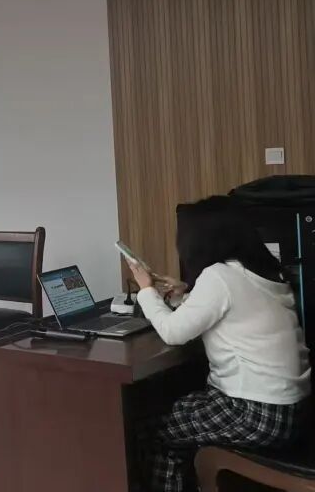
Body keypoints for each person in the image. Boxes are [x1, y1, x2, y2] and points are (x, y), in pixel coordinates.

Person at [127, 197, 310, 492]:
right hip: (293, 408)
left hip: (254, 412)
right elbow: (231, 311)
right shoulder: (265, 272)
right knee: (177, 409)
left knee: (155, 429)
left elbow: (172, 332)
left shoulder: (219, 276)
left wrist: (146, 290)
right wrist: (184, 295)